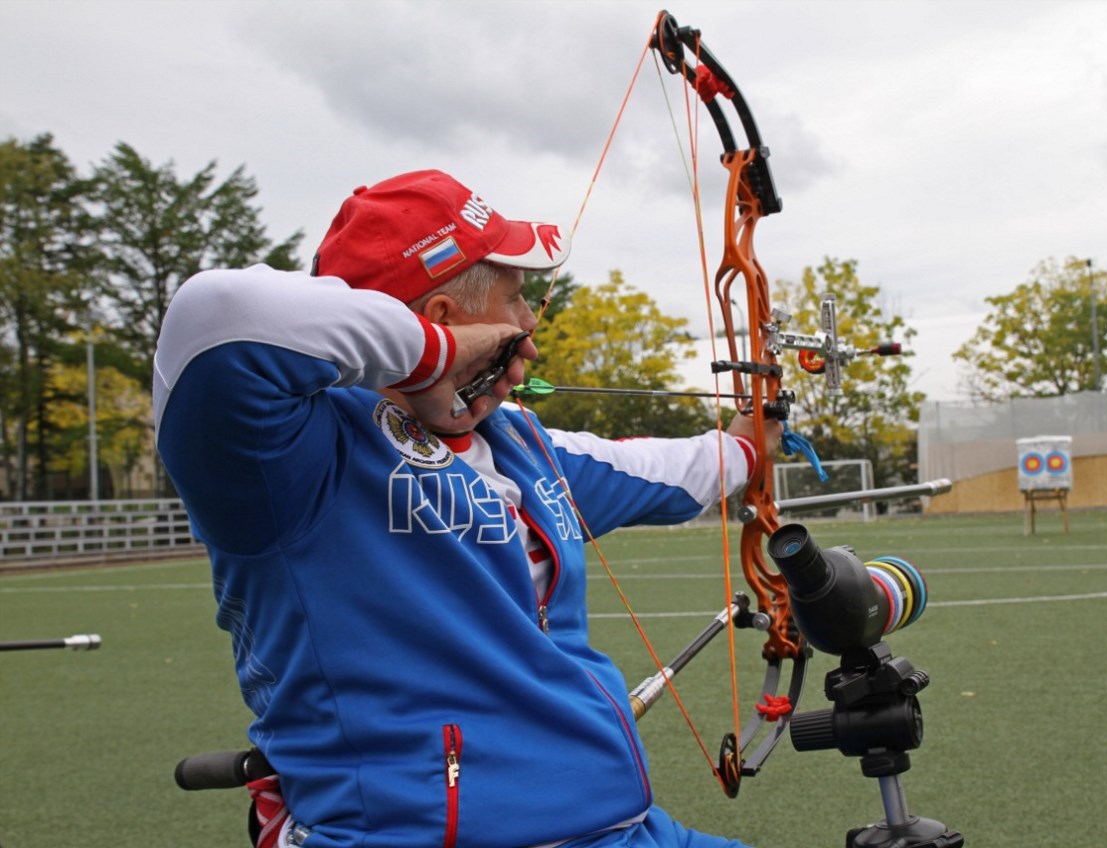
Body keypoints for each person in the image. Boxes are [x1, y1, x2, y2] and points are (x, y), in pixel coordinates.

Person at [155, 169, 778, 848]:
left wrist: (751, 447)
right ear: (445, 322)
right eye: (514, 302)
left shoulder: (520, 443)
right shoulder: (288, 455)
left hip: (621, 831)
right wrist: (439, 357)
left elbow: (666, 469)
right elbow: (213, 315)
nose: (530, 332)